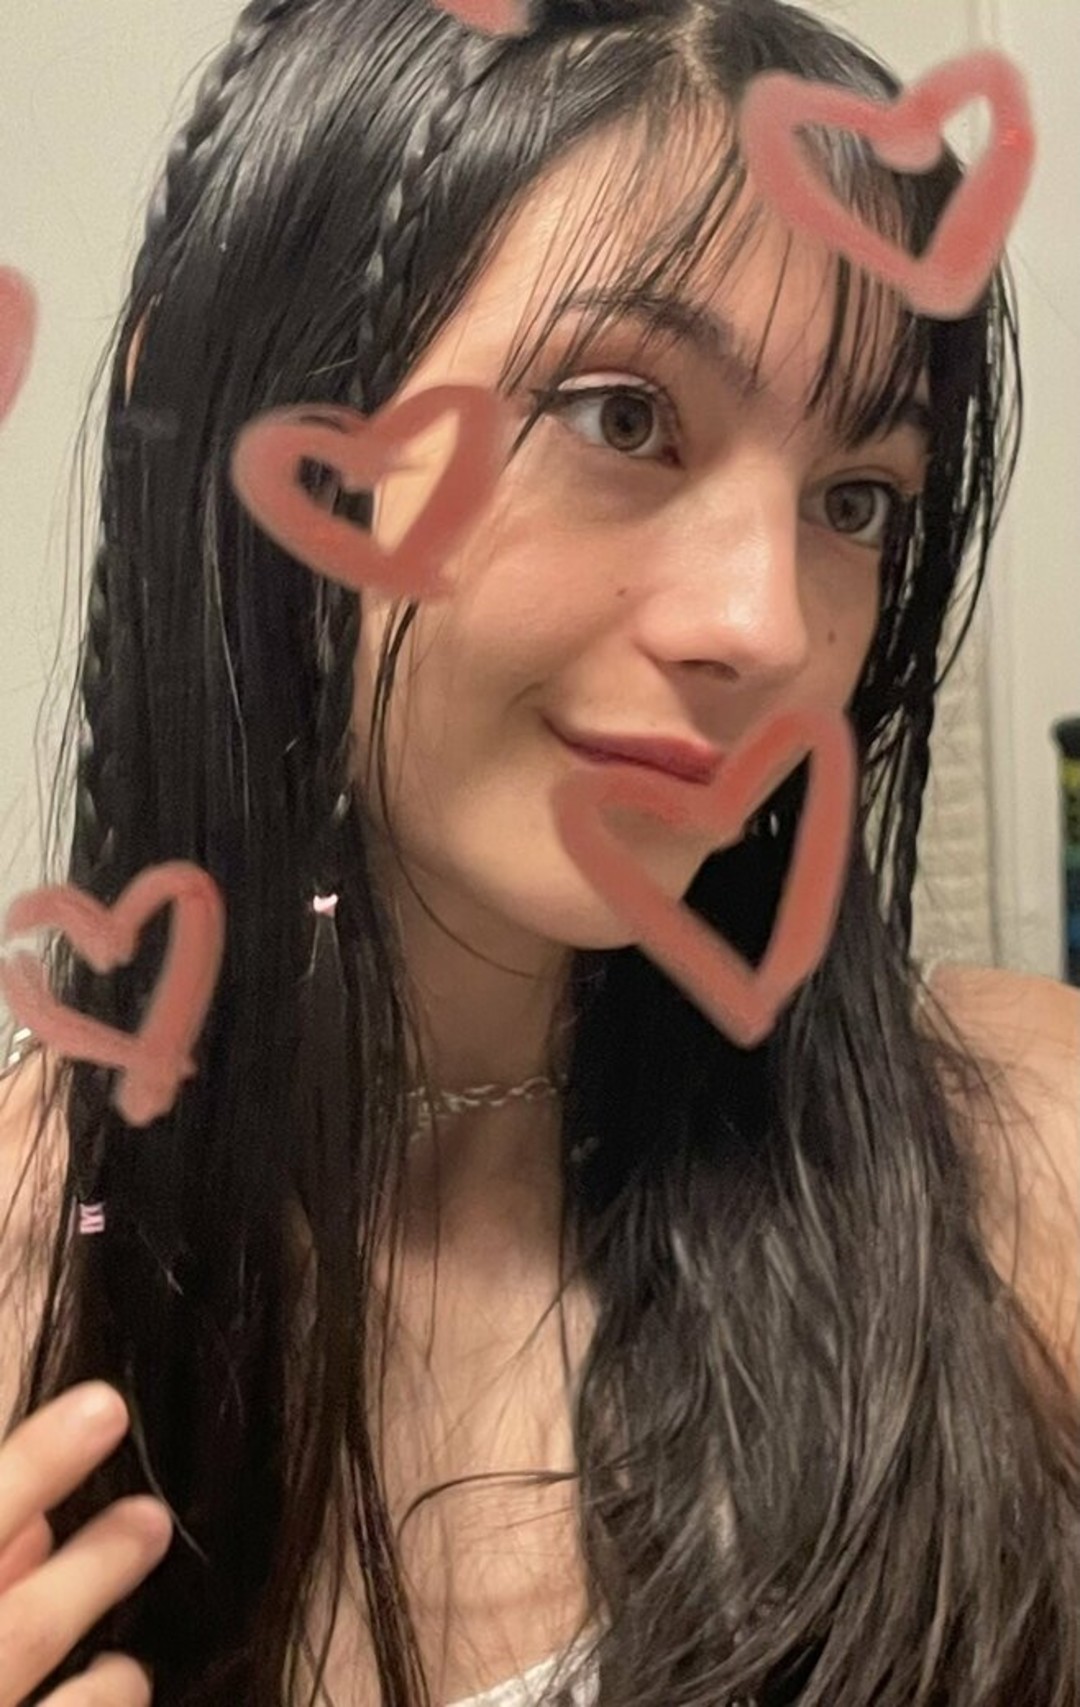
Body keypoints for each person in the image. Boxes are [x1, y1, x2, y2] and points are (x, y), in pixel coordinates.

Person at [0, 0, 1077, 1703]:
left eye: (856, 499)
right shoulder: (27, 1278)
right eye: (620, 416)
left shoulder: (1027, 1185)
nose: (768, 624)